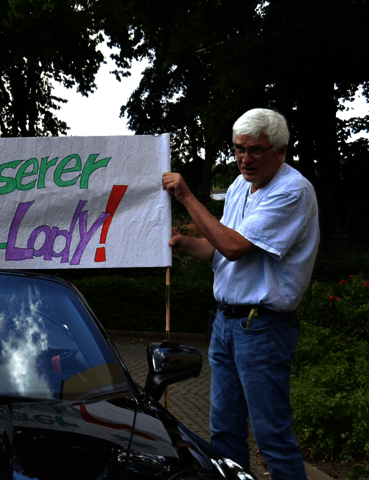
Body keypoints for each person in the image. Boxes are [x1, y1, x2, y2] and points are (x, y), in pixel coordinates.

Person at [163, 108, 318, 480]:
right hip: (226, 324)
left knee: (272, 439)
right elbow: (221, 251)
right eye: (238, 149)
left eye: (255, 150)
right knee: (225, 436)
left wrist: (186, 196)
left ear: (280, 151)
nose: (244, 159)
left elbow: (234, 246)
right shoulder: (237, 186)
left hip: (263, 329)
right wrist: (184, 244)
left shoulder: (291, 191)